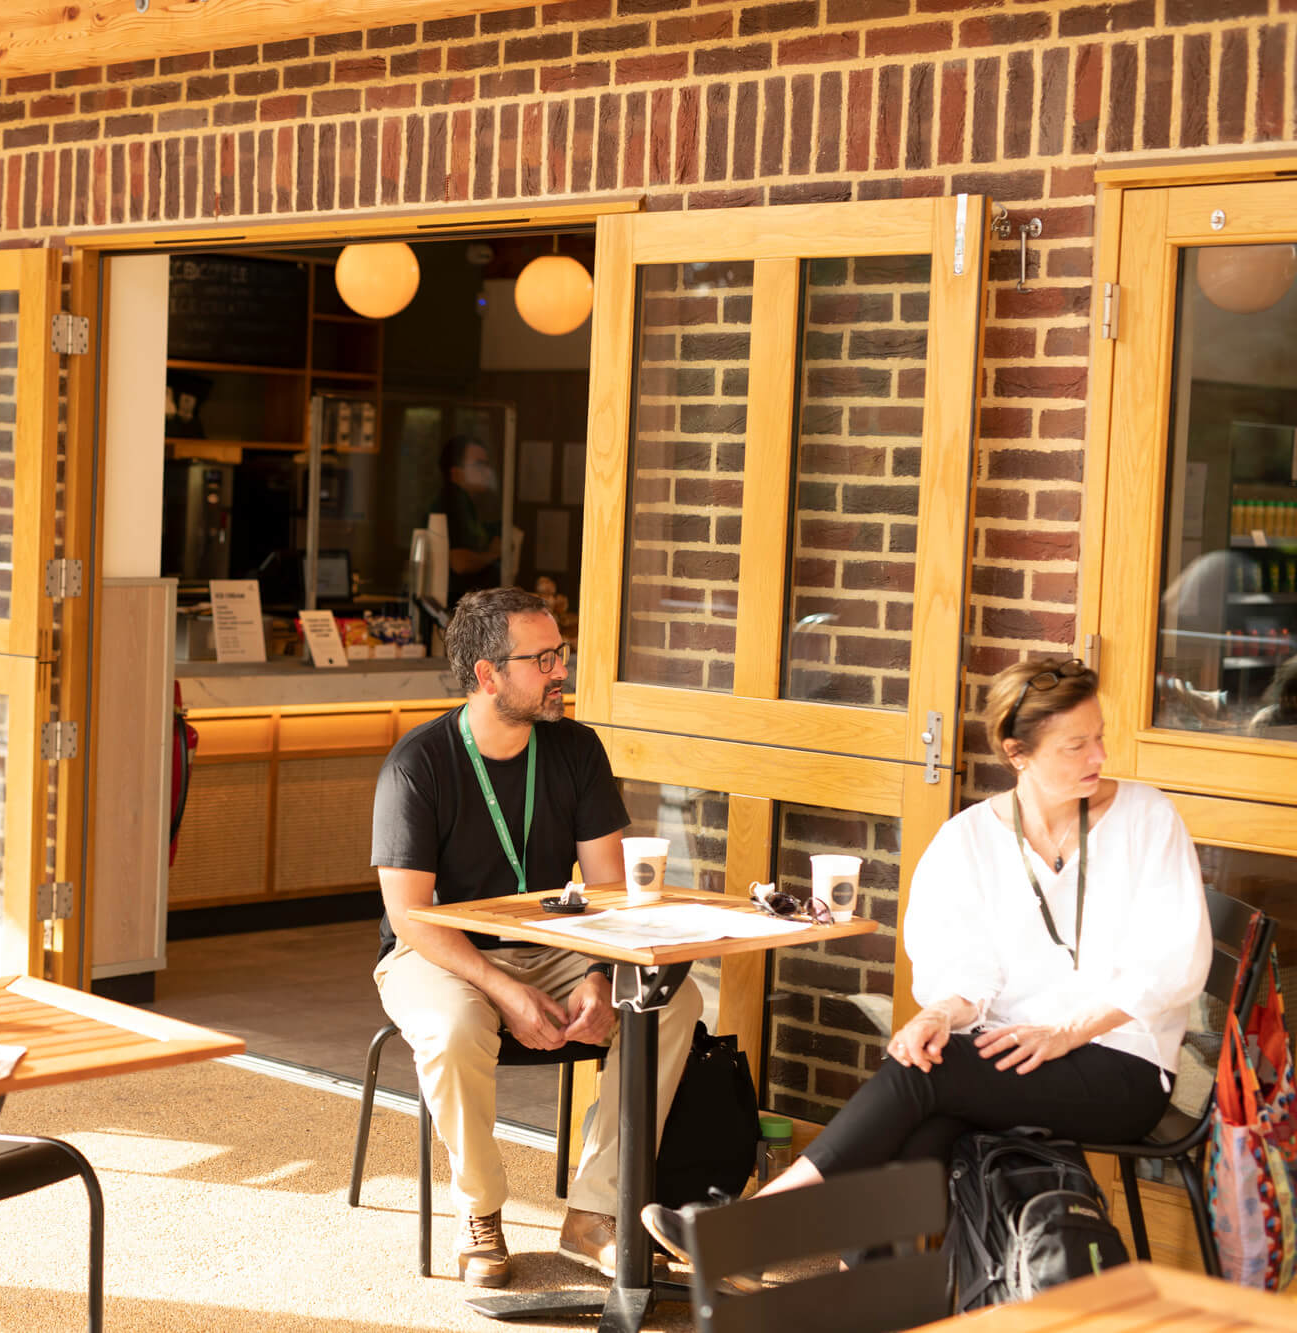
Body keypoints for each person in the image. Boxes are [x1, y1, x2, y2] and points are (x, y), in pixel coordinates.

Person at [640, 657, 1212, 1278]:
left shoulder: (1146, 818)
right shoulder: (968, 839)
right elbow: (964, 966)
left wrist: (1068, 1032)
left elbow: (1176, 961)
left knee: (920, 1079)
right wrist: (941, 1012)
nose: (1098, 755)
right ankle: (872, 1299)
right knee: (922, 1116)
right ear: (1017, 753)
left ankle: (749, 1225)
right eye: (1076, 745)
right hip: (1006, 1056)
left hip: (1121, 1063)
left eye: (1099, 736)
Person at [372, 587, 704, 1288]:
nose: (562, 670)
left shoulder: (576, 748)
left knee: (672, 999)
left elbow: (609, 890)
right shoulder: (418, 764)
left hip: (556, 942)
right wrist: (503, 989)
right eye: (543, 658)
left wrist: (595, 971)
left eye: (562, 653)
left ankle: (593, 1211)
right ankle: (481, 1211)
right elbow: (409, 915)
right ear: (488, 674)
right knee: (456, 1024)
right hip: (439, 950)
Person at [431, 436, 504, 603]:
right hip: (454, 607)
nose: (487, 471)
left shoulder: (466, 504)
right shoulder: (451, 503)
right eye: (479, 464)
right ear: (456, 472)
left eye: (487, 464)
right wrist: (493, 554)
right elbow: (459, 562)